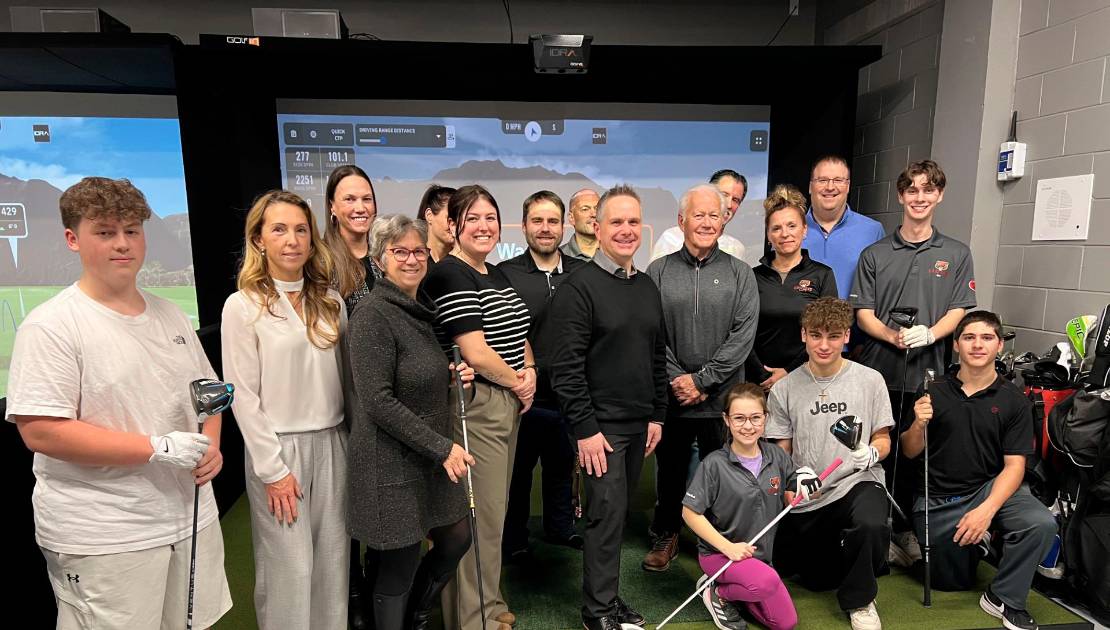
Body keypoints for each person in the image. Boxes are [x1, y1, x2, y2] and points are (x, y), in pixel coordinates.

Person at [7, 177, 232, 629]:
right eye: (106, 232)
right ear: (73, 239)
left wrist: (211, 445)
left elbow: (208, 393)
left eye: (131, 230)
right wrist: (155, 447)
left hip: (188, 517)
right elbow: (41, 430)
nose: (123, 244)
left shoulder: (170, 314)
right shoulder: (52, 326)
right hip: (106, 533)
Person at [221, 190, 349, 630]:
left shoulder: (331, 300)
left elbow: (346, 381)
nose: (291, 240)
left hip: (333, 443)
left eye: (300, 230)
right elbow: (243, 395)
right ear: (259, 239)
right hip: (278, 450)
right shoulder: (242, 306)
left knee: (333, 564)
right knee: (289, 571)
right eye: (279, 229)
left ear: (312, 240)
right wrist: (272, 470)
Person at [346, 214, 479, 630]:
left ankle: (418, 618)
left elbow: (413, 377)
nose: (411, 259)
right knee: (397, 567)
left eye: (418, 251)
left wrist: (449, 374)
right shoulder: (372, 314)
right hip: (390, 463)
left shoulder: (418, 309)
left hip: (424, 458)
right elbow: (377, 402)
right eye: (399, 251)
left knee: (457, 537)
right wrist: (442, 448)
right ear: (380, 258)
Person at [544, 184, 667, 630]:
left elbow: (656, 356)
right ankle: (597, 614)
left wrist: (657, 414)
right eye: (616, 222)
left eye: (634, 222)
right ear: (596, 228)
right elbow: (566, 368)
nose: (627, 230)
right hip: (601, 431)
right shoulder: (579, 287)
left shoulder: (647, 285)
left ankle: (609, 602)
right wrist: (585, 430)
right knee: (604, 521)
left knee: (615, 522)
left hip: (638, 426)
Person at [851, 159, 976, 566]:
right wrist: (892, 335)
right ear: (901, 196)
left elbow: (960, 308)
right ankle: (876, 530)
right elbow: (863, 312)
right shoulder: (875, 253)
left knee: (914, 453)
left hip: (927, 372)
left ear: (938, 195)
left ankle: (905, 529)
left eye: (928, 190)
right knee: (876, 450)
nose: (919, 197)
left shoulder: (956, 253)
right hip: (878, 370)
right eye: (912, 190)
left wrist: (932, 333)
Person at [423, 185, 535, 630]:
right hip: (475, 406)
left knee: (495, 515)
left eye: (491, 217)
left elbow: (519, 335)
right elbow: (476, 352)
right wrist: (519, 384)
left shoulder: (494, 272)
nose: (485, 226)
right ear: (452, 227)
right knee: (477, 518)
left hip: (504, 400)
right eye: (473, 218)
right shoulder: (451, 274)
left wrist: (530, 372)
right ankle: (472, 620)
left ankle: (488, 604)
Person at [901, 311, 1056, 630]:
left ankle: (1005, 597)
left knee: (1040, 523)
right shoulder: (933, 388)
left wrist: (987, 511)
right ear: (956, 345)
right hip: (938, 499)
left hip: (989, 488)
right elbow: (909, 450)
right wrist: (918, 422)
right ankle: (975, 544)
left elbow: (1015, 466)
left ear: (999, 345)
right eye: (969, 337)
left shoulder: (1013, 399)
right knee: (950, 582)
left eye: (987, 338)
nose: (977, 345)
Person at [643, 183, 759, 572]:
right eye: (699, 215)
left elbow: (742, 336)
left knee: (723, 478)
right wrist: (680, 379)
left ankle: (718, 544)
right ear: (681, 221)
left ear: (724, 220)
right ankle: (667, 534)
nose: (707, 222)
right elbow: (653, 334)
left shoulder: (741, 273)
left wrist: (703, 381)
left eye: (715, 215)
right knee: (671, 475)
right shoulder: (657, 272)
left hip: (721, 400)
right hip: (673, 398)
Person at [764, 297, 893, 630]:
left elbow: (884, 439)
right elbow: (782, 451)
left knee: (870, 524)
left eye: (833, 336)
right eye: (816, 335)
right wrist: (793, 481)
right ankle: (861, 555)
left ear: (847, 336)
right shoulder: (785, 388)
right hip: (813, 492)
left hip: (858, 480)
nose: (824, 345)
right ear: (804, 335)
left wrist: (873, 453)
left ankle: (861, 600)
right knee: (817, 578)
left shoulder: (871, 380)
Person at [684, 383, 823, 630]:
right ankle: (717, 592)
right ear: (726, 420)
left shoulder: (776, 456)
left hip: (760, 559)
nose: (748, 426)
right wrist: (728, 548)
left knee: (785, 622)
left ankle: (743, 587)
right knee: (766, 582)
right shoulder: (714, 464)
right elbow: (690, 512)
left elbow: (796, 481)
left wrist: (805, 478)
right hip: (720, 555)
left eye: (755, 418)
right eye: (739, 418)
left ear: (765, 419)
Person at [499, 191, 587, 558]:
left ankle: (560, 528)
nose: (546, 228)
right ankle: (514, 537)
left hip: (569, 397)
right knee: (517, 475)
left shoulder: (584, 274)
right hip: (522, 397)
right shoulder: (505, 275)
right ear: (524, 226)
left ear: (564, 225)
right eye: (537, 221)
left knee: (561, 469)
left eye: (553, 221)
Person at [748, 184, 838, 392]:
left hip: (807, 379)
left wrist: (789, 371)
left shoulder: (822, 275)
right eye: (776, 228)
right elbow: (742, 333)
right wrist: (764, 376)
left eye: (792, 226)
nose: (784, 234)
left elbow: (828, 331)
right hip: (759, 382)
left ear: (804, 230)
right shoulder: (752, 276)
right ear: (768, 236)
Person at [802, 155, 885, 300]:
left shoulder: (873, 231)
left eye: (838, 180)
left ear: (848, 186)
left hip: (854, 322)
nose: (830, 187)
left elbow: (882, 289)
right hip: (799, 322)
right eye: (822, 180)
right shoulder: (790, 231)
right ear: (810, 186)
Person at [651, 169, 748, 261]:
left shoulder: (737, 249)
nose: (728, 204)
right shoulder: (671, 238)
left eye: (735, 200)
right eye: (723, 195)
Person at [323, 164, 380, 313]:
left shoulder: (386, 254)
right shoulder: (321, 262)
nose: (361, 208)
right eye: (350, 199)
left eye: (367, 199)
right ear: (332, 207)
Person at [418, 183, 457, 264]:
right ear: (429, 216)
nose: (455, 224)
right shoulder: (414, 262)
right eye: (451, 217)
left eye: (460, 218)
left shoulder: (464, 265)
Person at [561, 188, 600, 260]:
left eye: (597, 209)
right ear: (571, 218)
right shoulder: (557, 258)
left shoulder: (618, 254)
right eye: (585, 209)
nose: (594, 214)